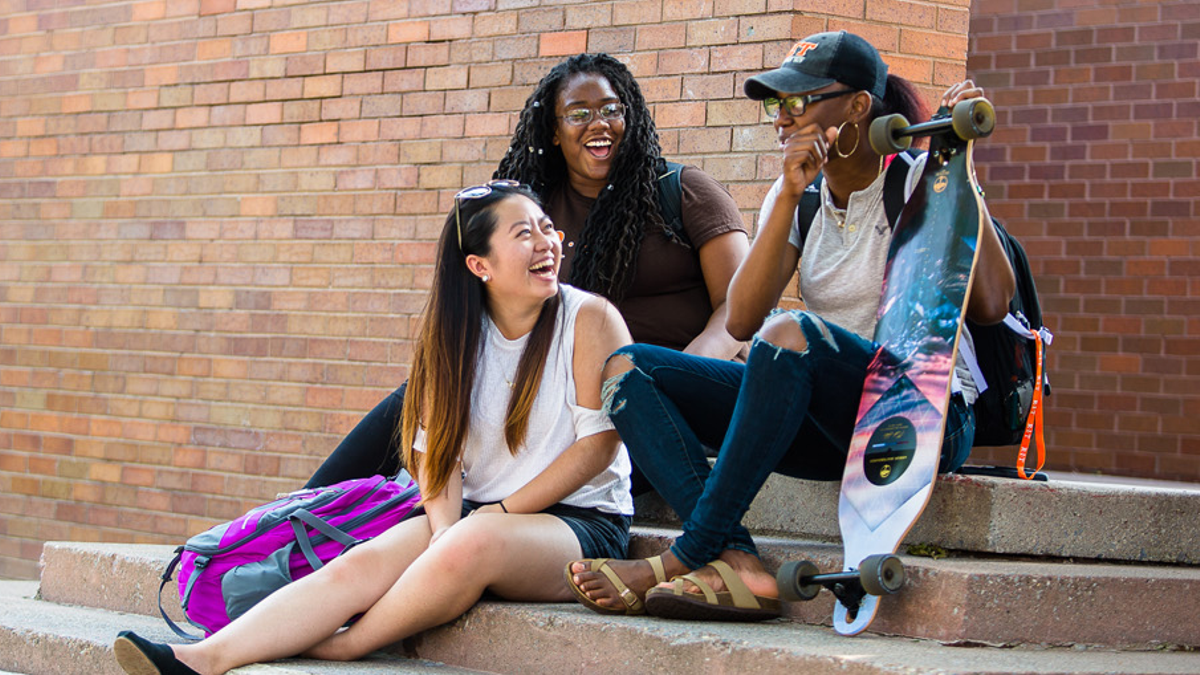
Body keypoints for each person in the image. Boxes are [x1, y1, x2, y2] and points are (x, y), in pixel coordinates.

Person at [565, 31, 1016, 620]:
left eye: (800, 101)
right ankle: (740, 562)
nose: (783, 117)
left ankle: (684, 556)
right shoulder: (799, 196)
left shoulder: (915, 178)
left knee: (787, 332)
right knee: (626, 368)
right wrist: (787, 196)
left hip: (922, 421)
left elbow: (992, 303)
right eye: (776, 104)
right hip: (832, 425)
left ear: (857, 107)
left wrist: (954, 166)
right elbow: (744, 315)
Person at [114, 182, 635, 674]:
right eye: (524, 234)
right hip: (477, 515)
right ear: (479, 265)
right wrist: (446, 527)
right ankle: (200, 660)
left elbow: (598, 445)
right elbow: (437, 456)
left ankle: (346, 645)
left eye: (547, 228)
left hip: (580, 526)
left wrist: (484, 521)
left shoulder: (588, 318)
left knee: (470, 544)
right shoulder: (451, 337)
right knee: (356, 565)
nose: (547, 243)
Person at [303, 52, 748, 490]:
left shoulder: (684, 191)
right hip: (561, 390)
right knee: (423, 388)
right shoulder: (536, 212)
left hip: (664, 393)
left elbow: (740, 308)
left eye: (612, 109)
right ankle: (289, 513)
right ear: (554, 132)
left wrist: (674, 374)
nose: (599, 123)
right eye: (579, 113)